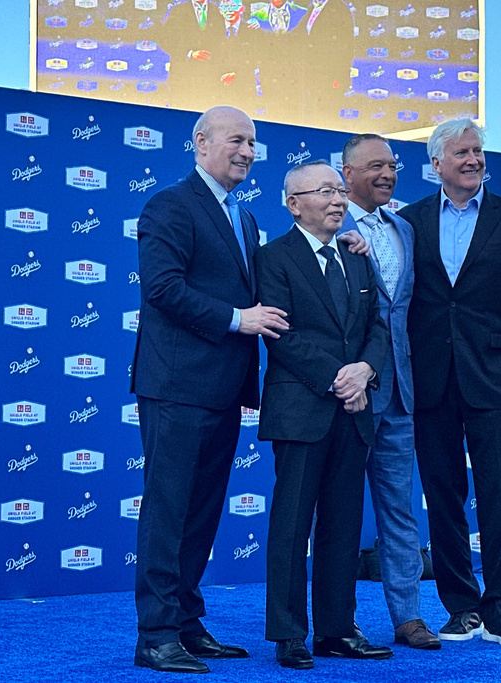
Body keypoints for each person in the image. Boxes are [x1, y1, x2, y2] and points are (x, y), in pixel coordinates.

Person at [130, 105, 289, 674]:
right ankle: (155, 634)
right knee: (170, 510)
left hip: (222, 390)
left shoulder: (244, 220)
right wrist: (236, 319)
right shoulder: (170, 204)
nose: (247, 152)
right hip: (176, 386)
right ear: (201, 143)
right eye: (236, 141)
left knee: (200, 514)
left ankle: (186, 624)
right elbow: (163, 288)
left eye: (253, 143)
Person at [398, 119, 501, 648]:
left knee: (500, 497)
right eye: (460, 152)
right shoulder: (410, 221)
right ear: (436, 163)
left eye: (477, 151)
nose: (473, 159)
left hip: (497, 379)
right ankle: (460, 606)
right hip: (431, 379)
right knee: (442, 496)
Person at [255, 161, 392, 669]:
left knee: (342, 524)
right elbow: (281, 334)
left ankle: (337, 629)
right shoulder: (272, 258)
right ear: (294, 204)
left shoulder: (357, 257)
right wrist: (341, 377)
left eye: (340, 190)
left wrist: (364, 372)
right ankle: (289, 633)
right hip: (302, 409)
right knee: (291, 525)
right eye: (325, 191)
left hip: (354, 409)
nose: (338, 199)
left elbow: (377, 327)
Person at [338, 134, 439, 650]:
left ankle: (408, 616)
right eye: (375, 165)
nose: (388, 174)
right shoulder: (327, 225)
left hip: (401, 391)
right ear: (347, 172)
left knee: (399, 509)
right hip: (348, 394)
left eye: (393, 166)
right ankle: (340, 620)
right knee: (338, 510)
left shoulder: (405, 227)